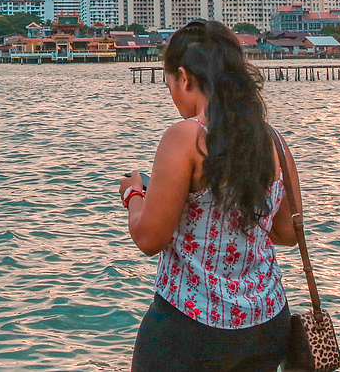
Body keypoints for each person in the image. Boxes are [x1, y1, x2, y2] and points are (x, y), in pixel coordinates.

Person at [118, 20, 303, 372]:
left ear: (185, 78)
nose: (172, 93)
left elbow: (149, 238)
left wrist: (134, 194)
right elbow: (288, 234)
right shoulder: (274, 141)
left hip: (192, 325)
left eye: (169, 83)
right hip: (266, 321)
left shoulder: (186, 137)